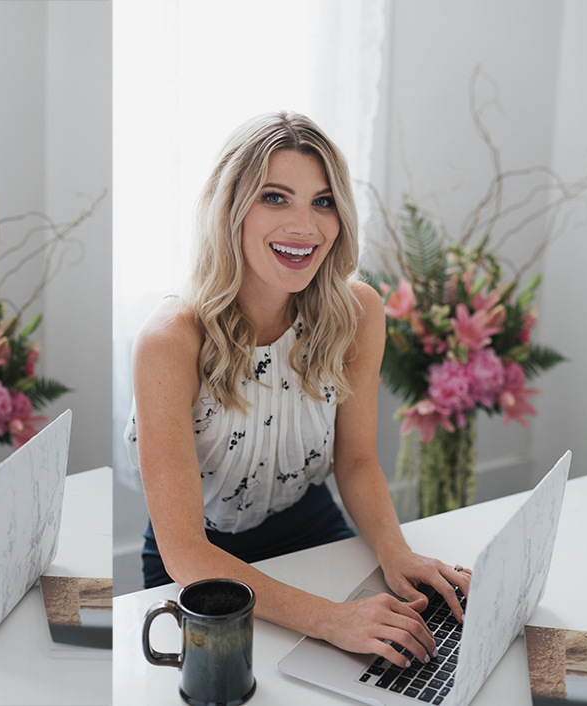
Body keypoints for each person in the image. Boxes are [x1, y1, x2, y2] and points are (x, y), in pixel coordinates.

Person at [125, 111, 471, 669]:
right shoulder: (170, 340)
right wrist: (333, 619)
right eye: (276, 198)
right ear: (230, 209)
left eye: (323, 200)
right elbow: (184, 551)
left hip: (311, 523)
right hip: (206, 555)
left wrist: (395, 550)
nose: (305, 226)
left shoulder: (357, 311)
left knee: (401, 662)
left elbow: (356, 460)